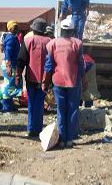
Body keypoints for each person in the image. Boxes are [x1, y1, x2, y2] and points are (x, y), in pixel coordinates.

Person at [43, 18, 85, 148]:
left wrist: (45, 81)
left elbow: (49, 66)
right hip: (73, 81)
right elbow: (80, 65)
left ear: (61, 30)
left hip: (58, 81)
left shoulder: (52, 44)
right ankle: (69, 140)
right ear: (72, 30)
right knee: (72, 110)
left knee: (61, 110)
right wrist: (84, 79)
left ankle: (61, 139)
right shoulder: (77, 44)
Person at [17, 18, 51, 137]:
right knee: (40, 103)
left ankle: (31, 129)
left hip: (31, 78)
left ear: (34, 29)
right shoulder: (50, 42)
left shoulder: (27, 40)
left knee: (31, 103)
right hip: (45, 79)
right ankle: (38, 128)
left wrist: (18, 75)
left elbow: (21, 60)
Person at [0, 20, 21, 112]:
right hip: (10, 64)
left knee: (12, 84)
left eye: (16, 27)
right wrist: (8, 66)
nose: (16, 28)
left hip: (12, 64)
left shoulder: (12, 37)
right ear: (10, 28)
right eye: (14, 27)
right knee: (9, 85)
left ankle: (10, 104)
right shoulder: (11, 38)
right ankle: (6, 107)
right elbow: (8, 52)